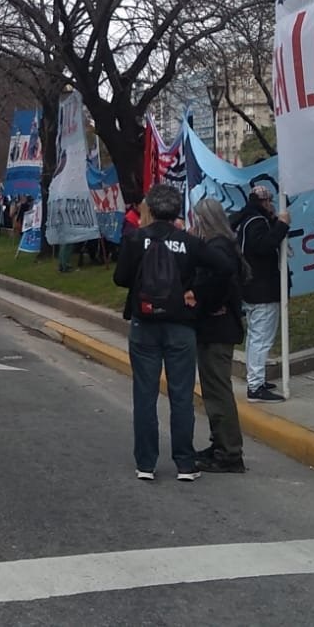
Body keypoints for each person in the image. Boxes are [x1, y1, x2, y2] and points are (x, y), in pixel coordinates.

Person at [113, 184, 230, 482]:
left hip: (144, 326)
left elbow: (120, 278)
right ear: (177, 210)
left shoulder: (135, 239)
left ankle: (146, 463)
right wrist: (197, 293)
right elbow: (225, 266)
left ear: (150, 210)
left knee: (145, 395)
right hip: (181, 326)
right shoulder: (189, 242)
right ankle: (185, 463)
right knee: (181, 396)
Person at [185, 198, 246, 474]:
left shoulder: (217, 248)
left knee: (217, 390)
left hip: (217, 328)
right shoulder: (225, 244)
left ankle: (229, 451)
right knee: (213, 389)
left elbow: (219, 279)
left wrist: (206, 304)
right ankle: (219, 442)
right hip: (219, 327)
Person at [232, 184, 290, 403]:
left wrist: (275, 221)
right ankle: (255, 386)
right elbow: (263, 247)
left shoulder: (248, 220)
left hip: (252, 287)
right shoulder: (257, 222)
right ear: (262, 202)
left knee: (256, 337)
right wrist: (281, 226)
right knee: (261, 338)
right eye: (268, 201)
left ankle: (256, 379)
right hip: (261, 288)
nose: (271, 204)